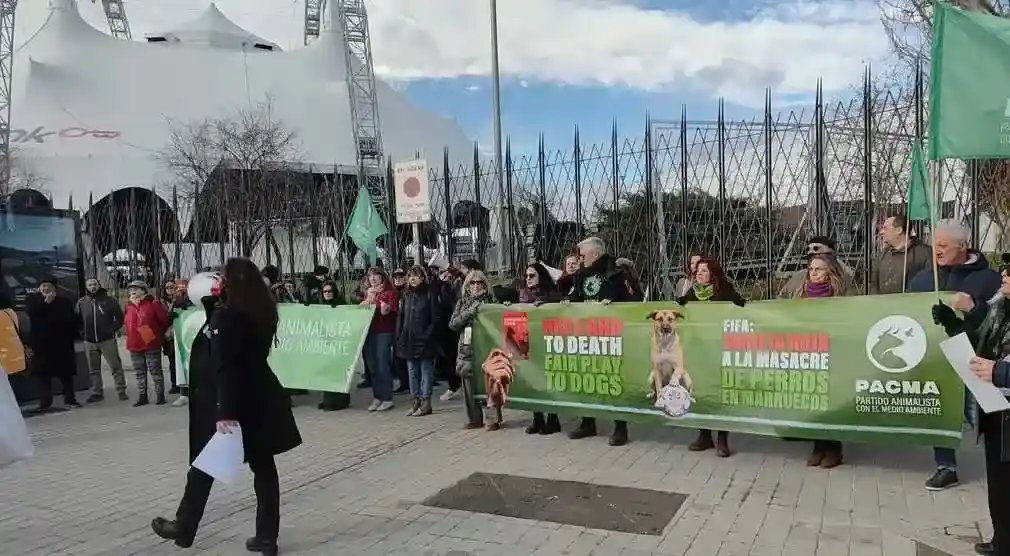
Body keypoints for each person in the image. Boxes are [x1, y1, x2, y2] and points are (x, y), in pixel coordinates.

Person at [151, 261, 302, 556]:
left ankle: (184, 526)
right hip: (260, 396)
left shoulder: (228, 316)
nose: (218, 281)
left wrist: (225, 412)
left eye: (223, 276)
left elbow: (227, 367)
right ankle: (266, 537)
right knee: (263, 468)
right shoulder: (261, 309)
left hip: (232, 401)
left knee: (206, 463)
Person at [908, 222, 1001, 491]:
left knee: (985, 414)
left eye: (943, 245)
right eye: (934, 244)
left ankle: (1000, 462)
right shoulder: (923, 279)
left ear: (962, 247)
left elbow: (997, 320)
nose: (936, 250)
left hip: (976, 358)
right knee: (940, 408)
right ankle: (946, 467)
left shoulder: (989, 279)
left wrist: (973, 307)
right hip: (936, 358)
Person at [933, 254, 1010, 556]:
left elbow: (997, 364)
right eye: (1005, 269)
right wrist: (953, 324)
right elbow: (979, 342)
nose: (1004, 274)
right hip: (996, 410)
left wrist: (999, 372)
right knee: (1000, 483)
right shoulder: (999, 308)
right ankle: (1002, 540)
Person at [782, 254, 848, 468]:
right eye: (811, 269)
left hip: (831, 353)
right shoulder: (801, 296)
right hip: (808, 354)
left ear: (829, 273)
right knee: (813, 401)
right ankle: (818, 446)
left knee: (830, 403)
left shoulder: (838, 297)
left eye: (819, 269)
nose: (814, 273)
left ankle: (834, 449)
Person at [676, 256, 744, 457]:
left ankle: (722, 439)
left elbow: (742, 307)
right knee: (701, 392)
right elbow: (680, 308)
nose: (699, 274)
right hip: (699, 350)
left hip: (719, 348)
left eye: (704, 271)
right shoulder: (693, 293)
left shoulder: (724, 291)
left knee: (719, 393)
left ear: (713, 274)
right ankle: (704, 435)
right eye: (698, 271)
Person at [567, 237, 632, 446]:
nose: (580, 259)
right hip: (586, 335)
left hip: (612, 335)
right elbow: (575, 299)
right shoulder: (580, 275)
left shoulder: (617, 272)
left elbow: (634, 300)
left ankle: (620, 427)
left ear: (595, 254)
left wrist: (614, 303)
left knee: (613, 380)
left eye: (583, 255)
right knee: (587, 378)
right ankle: (588, 422)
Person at [518, 262, 563, 435]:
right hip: (527, 342)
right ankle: (537, 419)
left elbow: (560, 307)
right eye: (526, 276)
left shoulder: (551, 293)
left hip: (546, 343)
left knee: (548, 382)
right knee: (532, 382)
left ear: (541, 276)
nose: (528, 279)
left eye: (532, 275)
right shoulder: (522, 294)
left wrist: (545, 303)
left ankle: (553, 419)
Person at [26, 277, 80, 410]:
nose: (45, 288)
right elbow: (32, 313)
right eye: (43, 286)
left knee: (66, 374)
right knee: (43, 375)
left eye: (48, 286)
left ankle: (70, 399)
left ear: (54, 288)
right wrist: (46, 303)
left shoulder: (64, 301)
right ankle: (45, 401)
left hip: (61, 344)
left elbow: (70, 320)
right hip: (42, 345)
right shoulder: (33, 300)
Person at [395, 265, 442, 417]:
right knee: (412, 371)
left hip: (424, 340)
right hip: (409, 339)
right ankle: (415, 400)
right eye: (410, 276)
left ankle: (426, 402)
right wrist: (399, 335)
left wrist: (427, 334)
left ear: (422, 277)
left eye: (416, 276)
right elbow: (401, 317)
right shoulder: (406, 294)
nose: (412, 279)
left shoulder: (429, 293)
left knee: (425, 371)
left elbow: (436, 318)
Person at [77, 277, 127, 403]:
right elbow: (77, 320)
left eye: (95, 284)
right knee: (93, 369)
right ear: (86, 287)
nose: (93, 287)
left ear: (99, 285)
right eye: (90, 285)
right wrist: (82, 333)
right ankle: (97, 392)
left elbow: (120, 318)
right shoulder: (82, 302)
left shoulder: (109, 300)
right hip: (89, 341)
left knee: (115, 366)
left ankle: (121, 390)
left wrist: (112, 330)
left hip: (107, 340)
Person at [124, 280, 170, 407]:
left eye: (136, 288)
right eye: (130, 289)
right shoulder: (128, 305)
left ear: (143, 290)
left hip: (151, 343)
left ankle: (160, 395)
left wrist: (157, 333)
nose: (132, 291)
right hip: (134, 344)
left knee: (155, 370)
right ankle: (142, 396)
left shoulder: (154, 303)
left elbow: (164, 321)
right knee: (139, 371)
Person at [360, 268, 398, 412]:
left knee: (382, 365)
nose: (373, 279)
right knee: (373, 366)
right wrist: (368, 300)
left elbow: (386, 310)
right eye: (370, 276)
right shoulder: (369, 293)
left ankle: (386, 398)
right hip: (370, 331)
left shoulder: (389, 293)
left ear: (382, 277)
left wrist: (373, 304)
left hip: (383, 332)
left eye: (376, 276)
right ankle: (377, 397)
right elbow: (361, 307)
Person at [779, 236, 855, 297]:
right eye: (811, 257)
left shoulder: (844, 279)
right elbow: (782, 298)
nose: (813, 272)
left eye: (819, 255)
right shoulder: (800, 277)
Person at [874, 215, 932, 294]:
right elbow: (875, 284)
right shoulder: (884, 253)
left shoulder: (924, 253)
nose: (881, 232)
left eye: (885, 228)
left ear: (899, 230)